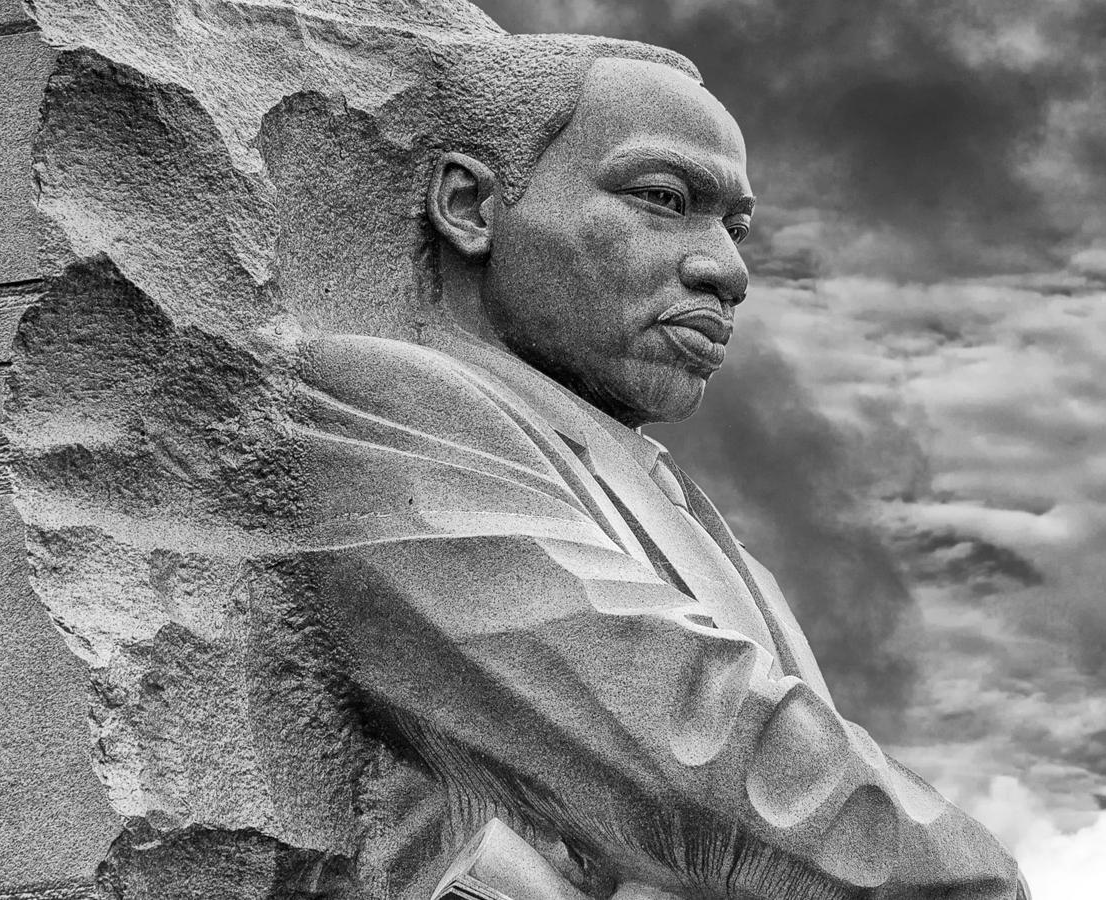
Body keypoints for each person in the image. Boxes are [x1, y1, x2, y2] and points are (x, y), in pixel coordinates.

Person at [283, 33, 1026, 900]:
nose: (729, 270)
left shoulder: (695, 521)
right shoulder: (382, 402)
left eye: (735, 225)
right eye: (664, 198)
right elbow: (687, 741)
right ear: (471, 206)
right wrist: (973, 881)